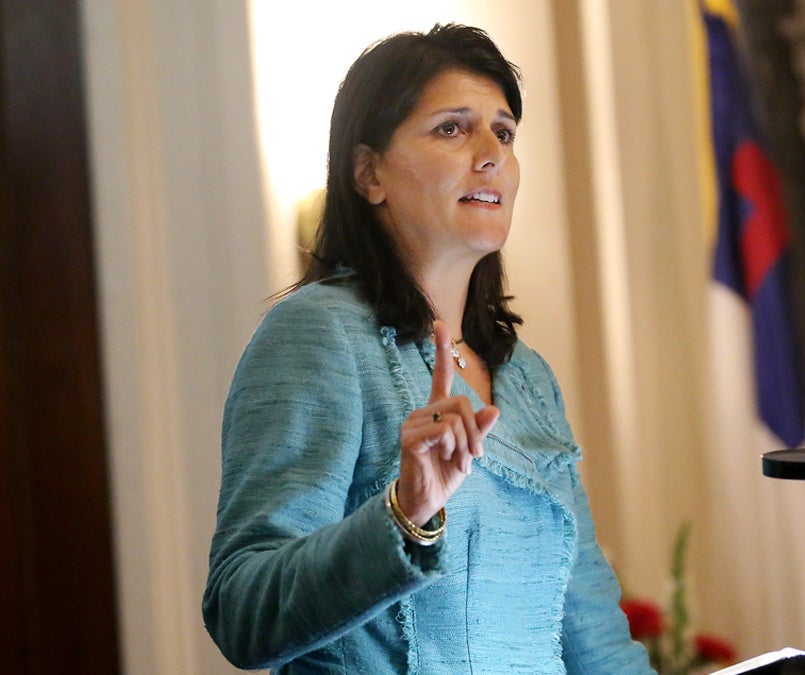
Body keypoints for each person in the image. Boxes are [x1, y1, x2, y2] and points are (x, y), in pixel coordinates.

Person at [202, 24, 652, 674]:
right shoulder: (318, 334)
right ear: (369, 172)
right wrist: (403, 512)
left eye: (504, 131)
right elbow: (242, 610)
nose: (491, 152)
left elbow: (594, 637)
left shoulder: (526, 376)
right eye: (452, 127)